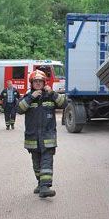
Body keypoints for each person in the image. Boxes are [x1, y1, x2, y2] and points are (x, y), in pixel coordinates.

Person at [17, 70, 67, 198]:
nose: (38, 83)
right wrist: (31, 96)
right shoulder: (28, 96)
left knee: (46, 161)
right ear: (32, 83)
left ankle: (45, 186)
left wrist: (53, 93)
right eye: (35, 81)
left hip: (47, 136)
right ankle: (40, 184)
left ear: (44, 83)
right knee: (36, 163)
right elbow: (19, 109)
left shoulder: (50, 95)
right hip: (32, 137)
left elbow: (64, 104)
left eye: (40, 81)